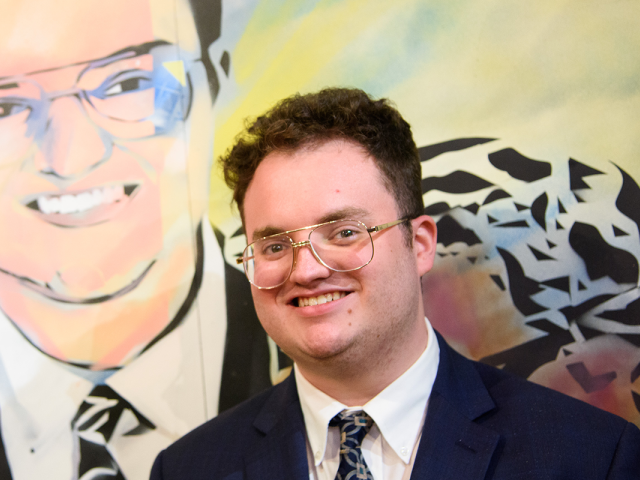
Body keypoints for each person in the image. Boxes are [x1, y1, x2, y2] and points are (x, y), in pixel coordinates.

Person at [151, 87, 640, 479]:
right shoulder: (189, 468)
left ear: (420, 243)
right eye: (275, 245)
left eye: (344, 232)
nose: (306, 270)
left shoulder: (591, 457)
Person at [0, 1, 271, 479]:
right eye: (5, 105)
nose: (70, 158)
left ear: (214, 81)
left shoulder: (329, 355)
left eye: (129, 83)